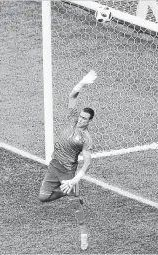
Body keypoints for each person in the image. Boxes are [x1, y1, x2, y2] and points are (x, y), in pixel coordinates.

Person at [39, 70, 97, 250]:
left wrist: (74, 180)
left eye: (85, 119)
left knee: (76, 208)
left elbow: (87, 162)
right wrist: (82, 82)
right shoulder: (72, 118)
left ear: (90, 121)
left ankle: (84, 235)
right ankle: (71, 193)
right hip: (54, 166)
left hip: (67, 172)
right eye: (80, 116)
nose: (81, 120)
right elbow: (72, 95)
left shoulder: (87, 138)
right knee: (43, 197)